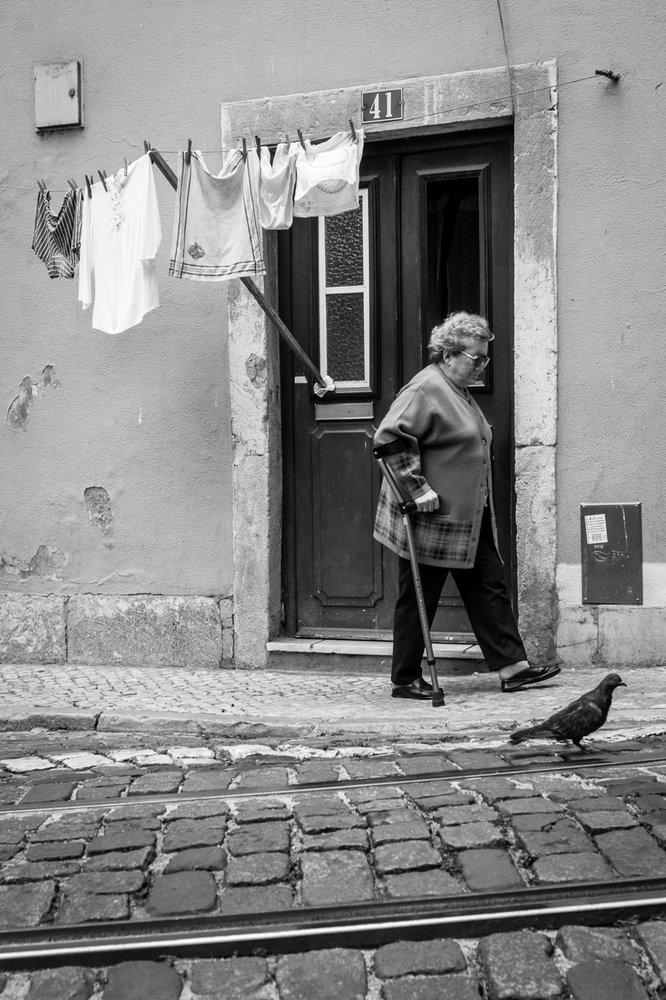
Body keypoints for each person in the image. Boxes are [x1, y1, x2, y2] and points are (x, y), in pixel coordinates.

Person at [373, 311, 560, 700]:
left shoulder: (457, 389)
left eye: (484, 359)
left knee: (489, 586)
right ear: (448, 354)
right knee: (419, 597)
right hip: (432, 517)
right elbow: (388, 439)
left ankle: (513, 668)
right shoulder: (425, 388)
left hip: (469, 516)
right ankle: (404, 678)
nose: (481, 366)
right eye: (476, 358)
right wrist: (416, 489)